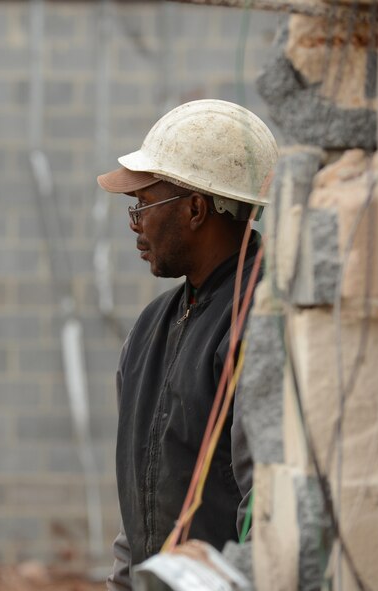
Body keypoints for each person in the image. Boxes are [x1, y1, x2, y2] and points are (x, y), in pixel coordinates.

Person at [95, 99, 278, 589]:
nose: (135, 225)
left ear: (196, 209)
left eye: (144, 206)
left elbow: (269, 506)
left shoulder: (264, 319)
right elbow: (140, 504)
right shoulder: (150, 329)